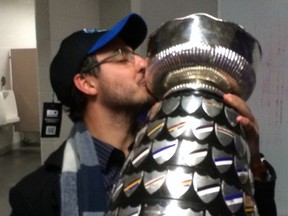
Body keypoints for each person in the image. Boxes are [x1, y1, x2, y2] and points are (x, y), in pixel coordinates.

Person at [9, 13, 276, 216]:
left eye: (134, 52)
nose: (143, 63)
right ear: (86, 83)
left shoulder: (187, 144)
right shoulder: (36, 196)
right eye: (121, 56)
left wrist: (252, 163)